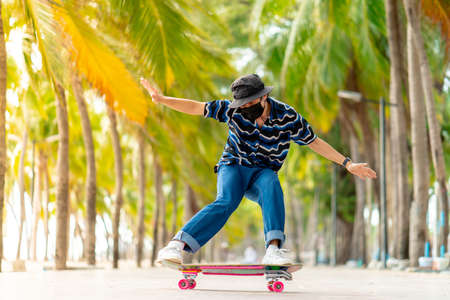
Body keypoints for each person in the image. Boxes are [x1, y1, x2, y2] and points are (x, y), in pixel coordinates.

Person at [140, 74, 377, 265]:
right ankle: (177, 245)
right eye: (243, 105)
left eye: (252, 103)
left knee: (271, 184)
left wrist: (348, 164)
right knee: (227, 201)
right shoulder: (232, 110)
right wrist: (162, 100)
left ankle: (273, 250)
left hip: (263, 170)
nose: (247, 108)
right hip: (233, 165)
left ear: (264, 97)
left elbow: (313, 141)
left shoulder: (287, 116)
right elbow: (196, 107)